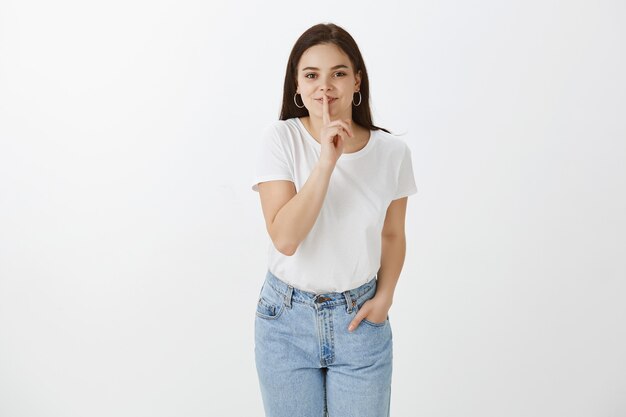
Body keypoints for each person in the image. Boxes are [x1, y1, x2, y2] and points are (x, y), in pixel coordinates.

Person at [250, 22, 417, 417]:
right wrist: (326, 160)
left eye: (339, 73)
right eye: (312, 75)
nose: (325, 86)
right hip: (284, 323)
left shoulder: (392, 153)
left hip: (359, 323)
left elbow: (393, 234)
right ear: (297, 85)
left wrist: (385, 298)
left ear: (357, 81)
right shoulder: (281, 139)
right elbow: (286, 238)